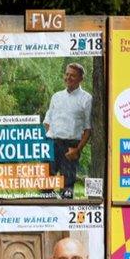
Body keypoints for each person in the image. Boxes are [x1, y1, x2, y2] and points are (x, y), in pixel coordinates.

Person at [43, 63, 93, 199]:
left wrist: (78, 150)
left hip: (71, 146)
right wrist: (51, 139)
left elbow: (88, 129)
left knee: (67, 188)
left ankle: (64, 214)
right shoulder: (56, 96)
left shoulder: (87, 99)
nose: (68, 77)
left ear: (81, 79)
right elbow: (47, 121)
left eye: (73, 75)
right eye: (67, 74)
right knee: (45, 187)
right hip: (52, 144)